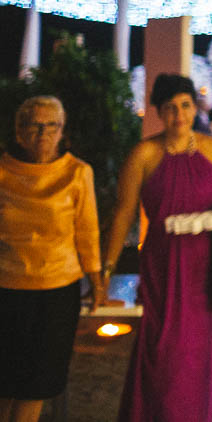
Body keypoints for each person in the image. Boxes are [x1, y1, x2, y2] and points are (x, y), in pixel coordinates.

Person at [99, 74, 212, 422]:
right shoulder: (143, 154)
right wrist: (104, 272)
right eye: (171, 108)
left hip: (206, 269)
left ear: (195, 107)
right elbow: (122, 215)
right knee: (162, 354)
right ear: (159, 112)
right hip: (164, 266)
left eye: (186, 106)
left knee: (201, 356)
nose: (180, 115)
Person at [0, 96, 103, 422]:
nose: (43, 133)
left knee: (37, 385)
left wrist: (98, 281)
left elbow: (87, 233)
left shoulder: (77, 173)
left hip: (57, 292)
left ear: (62, 132)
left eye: (52, 126)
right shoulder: (3, 172)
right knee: (4, 383)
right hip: (7, 289)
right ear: (19, 132)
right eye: (34, 125)